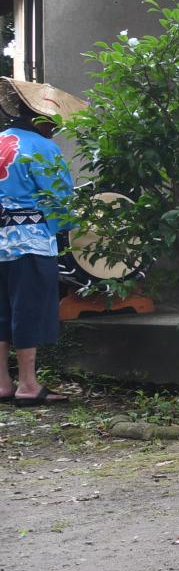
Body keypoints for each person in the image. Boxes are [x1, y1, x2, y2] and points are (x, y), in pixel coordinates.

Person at [0, 79, 77, 406]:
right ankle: (29, 384)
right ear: (40, 118)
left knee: (2, 311)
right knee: (28, 309)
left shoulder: (1, 140)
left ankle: (3, 382)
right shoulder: (44, 148)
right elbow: (60, 200)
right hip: (29, 242)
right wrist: (64, 227)